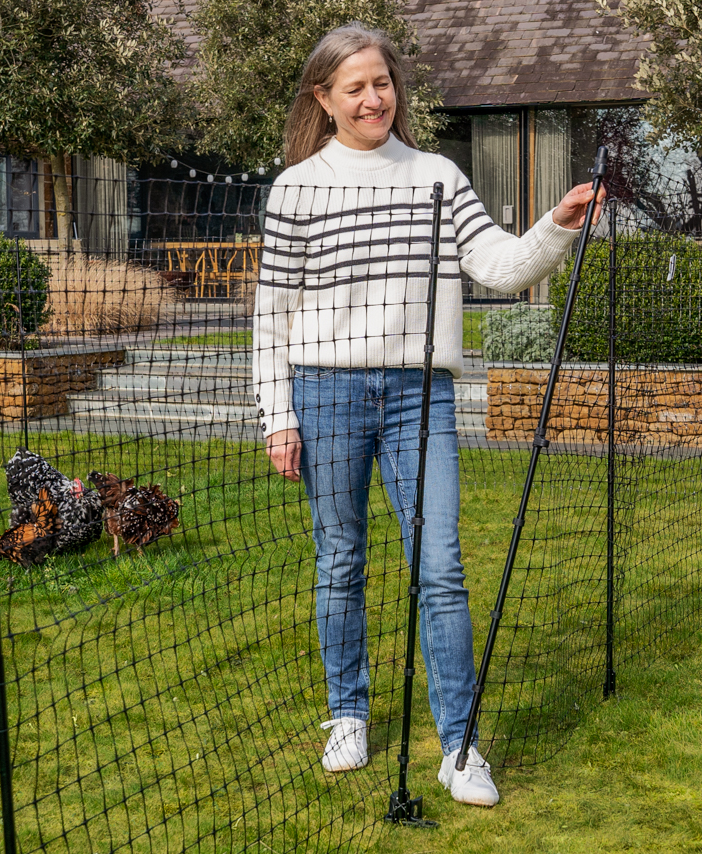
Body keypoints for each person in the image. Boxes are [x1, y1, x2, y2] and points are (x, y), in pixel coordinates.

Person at [252, 22, 604, 808]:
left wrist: (557, 226)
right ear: (324, 98)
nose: (374, 98)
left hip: (421, 394)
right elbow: (271, 316)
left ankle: (459, 745)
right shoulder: (296, 188)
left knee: (439, 569)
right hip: (326, 393)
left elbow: (500, 266)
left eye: (382, 83)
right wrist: (279, 414)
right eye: (356, 88)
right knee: (339, 561)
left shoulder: (438, 175)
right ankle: (347, 714)